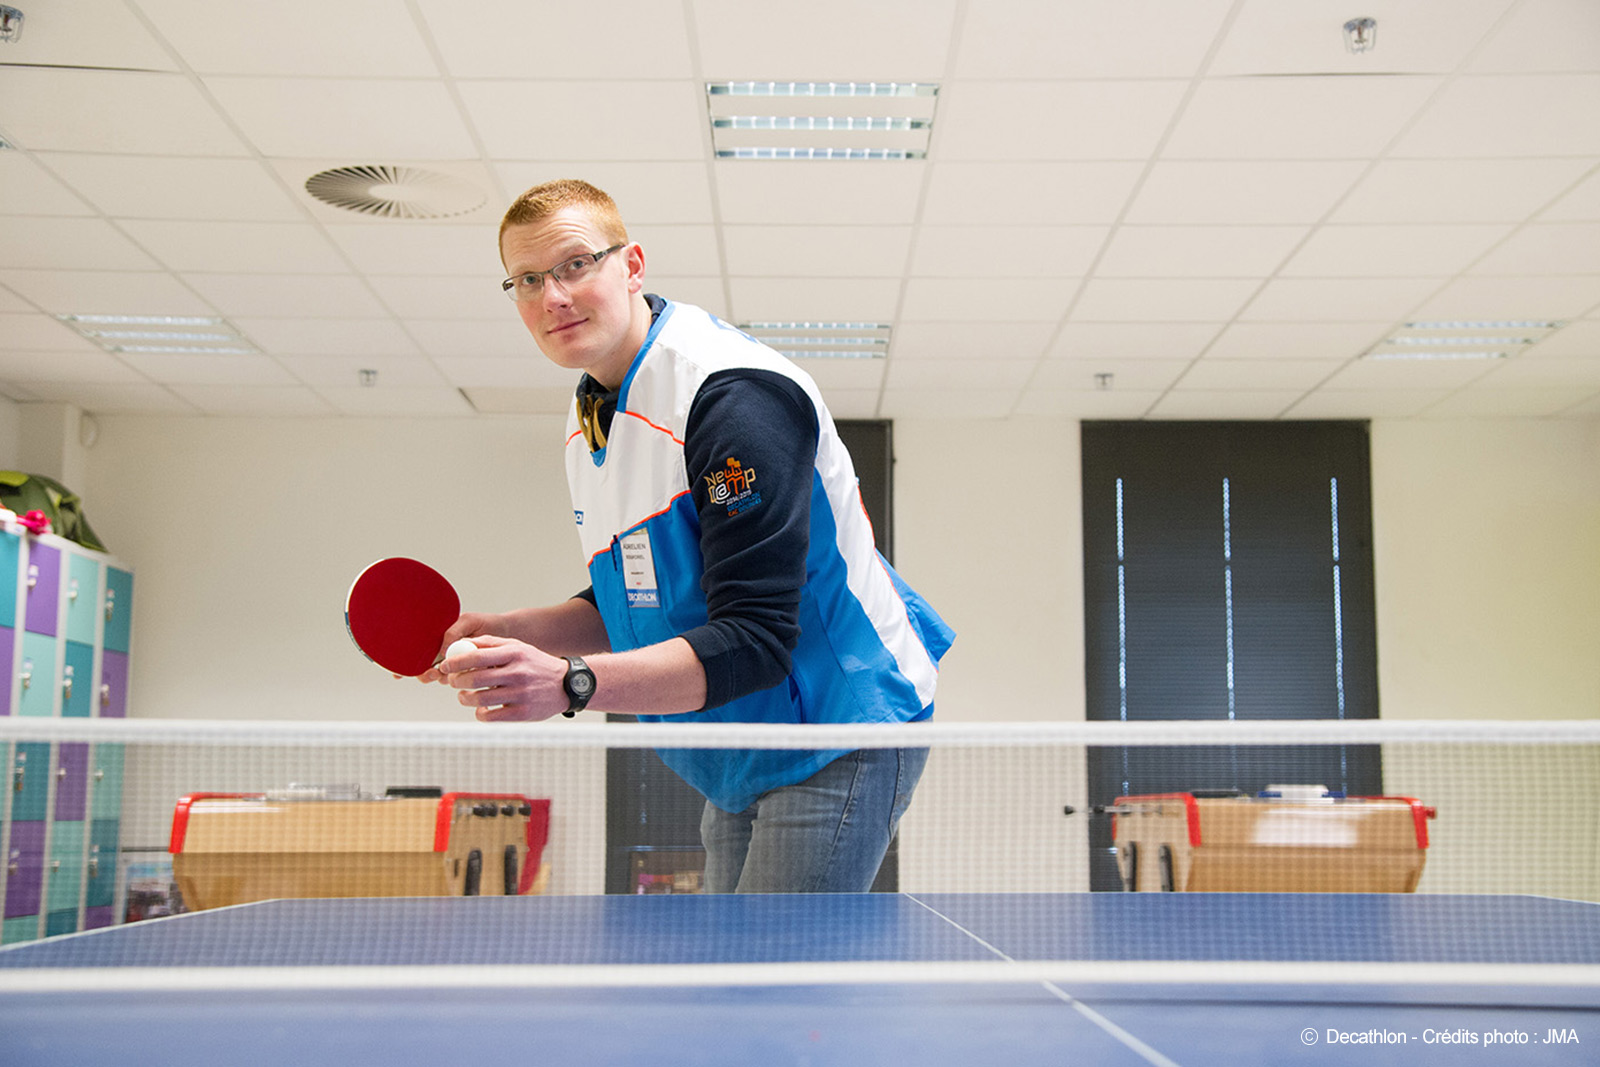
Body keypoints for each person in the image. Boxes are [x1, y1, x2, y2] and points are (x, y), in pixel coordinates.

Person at [427, 178, 954, 893]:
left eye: (575, 264)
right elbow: (640, 594)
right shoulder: (593, 423)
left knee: (769, 979)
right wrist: (506, 629)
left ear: (632, 264)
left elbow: (757, 638)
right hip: (736, 741)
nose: (552, 295)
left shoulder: (731, 398)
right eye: (527, 279)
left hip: (837, 724)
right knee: (725, 979)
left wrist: (570, 683)